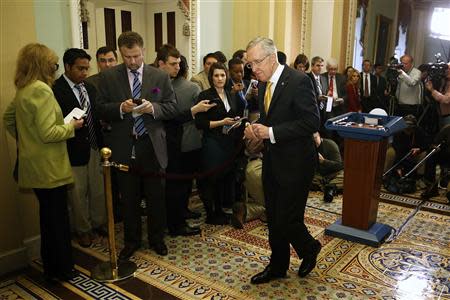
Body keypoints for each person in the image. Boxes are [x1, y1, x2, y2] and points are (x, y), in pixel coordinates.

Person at [3, 43, 84, 282]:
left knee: (48, 219)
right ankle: (62, 270)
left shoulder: (24, 88)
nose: (54, 69)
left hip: (34, 167)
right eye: (53, 64)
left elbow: (8, 119)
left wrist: (27, 140)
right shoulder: (42, 89)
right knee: (58, 221)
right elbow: (49, 133)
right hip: (50, 168)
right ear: (43, 64)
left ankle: (52, 269)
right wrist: (72, 126)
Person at [244, 37, 321, 284]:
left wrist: (271, 133)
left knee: (288, 218)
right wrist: (257, 129)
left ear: (272, 58)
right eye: (250, 64)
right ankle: (278, 266)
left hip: (297, 164)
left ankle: (309, 248)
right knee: (275, 218)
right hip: (273, 160)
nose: (253, 69)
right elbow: (273, 120)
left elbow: (311, 122)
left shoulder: (299, 81)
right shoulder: (264, 84)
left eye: (256, 62)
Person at [97, 31, 178, 260]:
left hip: (152, 146)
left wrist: (153, 108)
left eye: (135, 56)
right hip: (124, 146)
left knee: (156, 197)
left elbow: (172, 107)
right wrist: (119, 109)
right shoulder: (109, 77)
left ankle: (156, 239)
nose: (132, 62)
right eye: (126, 57)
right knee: (129, 198)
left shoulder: (159, 76)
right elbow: (100, 108)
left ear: (143, 50)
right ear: (121, 53)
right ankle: (132, 241)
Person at [156, 44, 214, 236]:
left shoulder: (187, 87)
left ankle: (177, 219)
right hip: (163, 143)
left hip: (179, 142)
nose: (178, 68)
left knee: (180, 186)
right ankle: (174, 224)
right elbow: (167, 116)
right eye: (173, 64)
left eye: (179, 64)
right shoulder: (155, 85)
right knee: (172, 187)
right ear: (161, 63)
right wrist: (193, 111)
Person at [53, 48, 106, 248]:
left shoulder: (89, 88)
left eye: (86, 68)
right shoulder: (56, 90)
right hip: (72, 148)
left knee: (97, 189)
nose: (84, 73)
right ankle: (83, 230)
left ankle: (98, 223)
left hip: (94, 144)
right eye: (80, 68)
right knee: (78, 192)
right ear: (67, 67)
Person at [195, 62, 245, 225]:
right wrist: (221, 122)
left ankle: (219, 210)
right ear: (211, 77)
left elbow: (235, 113)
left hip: (228, 142)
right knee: (212, 179)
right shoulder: (205, 95)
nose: (220, 78)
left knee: (224, 178)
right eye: (216, 75)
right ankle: (211, 214)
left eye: (222, 75)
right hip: (212, 142)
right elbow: (200, 123)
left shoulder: (231, 94)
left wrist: (236, 121)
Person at [311, 132, 344, 202]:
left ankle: (329, 188)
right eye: (311, 140)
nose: (314, 142)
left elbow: (339, 166)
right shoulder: (309, 147)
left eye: (315, 138)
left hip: (334, 174)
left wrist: (323, 161)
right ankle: (330, 188)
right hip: (319, 176)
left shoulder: (330, 144)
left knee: (346, 177)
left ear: (319, 137)